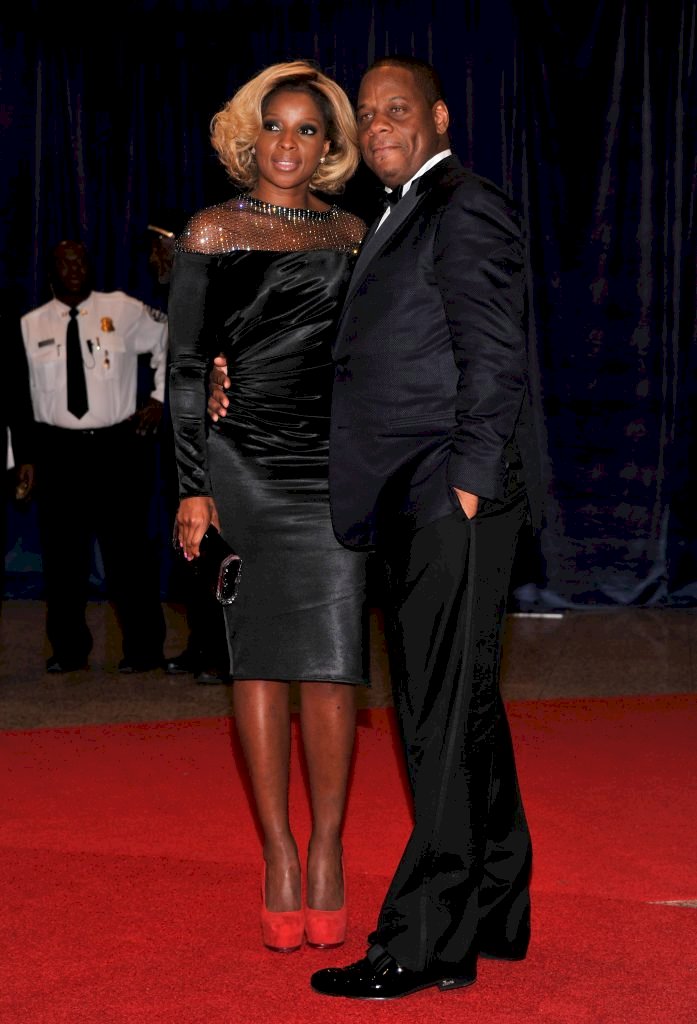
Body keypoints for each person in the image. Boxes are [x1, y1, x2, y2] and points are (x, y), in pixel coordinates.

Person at [208, 55, 541, 1000]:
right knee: (464, 701)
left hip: (451, 496)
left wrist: (472, 478)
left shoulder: (462, 205)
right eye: (369, 112)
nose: (381, 123)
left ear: (437, 116)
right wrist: (236, 374)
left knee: (433, 718)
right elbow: (366, 357)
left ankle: (425, 940)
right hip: (413, 496)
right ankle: (497, 903)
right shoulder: (393, 217)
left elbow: (494, 350)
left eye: (398, 108)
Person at [166, 60, 370, 954]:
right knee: (259, 659)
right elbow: (182, 365)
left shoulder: (354, 234)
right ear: (252, 135)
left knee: (332, 663)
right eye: (276, 127)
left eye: (309, 130)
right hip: (241, 459)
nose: (290, 144)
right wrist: (192, 483)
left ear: (330, 147)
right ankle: (278, 851)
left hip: (333, 465)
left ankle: (326, 846)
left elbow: (376, 352)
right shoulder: (211, 231)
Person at [20, 239, 168, 673]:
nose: (74, 268)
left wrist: (159, 398)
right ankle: (68, 650)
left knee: (129, 554)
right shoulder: (30, 325)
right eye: (64, 262)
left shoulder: (121, 308)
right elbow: (19, 398)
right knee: (63, 558)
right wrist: (24, 456)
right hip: (58, 451)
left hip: (115, 448)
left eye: (81, 260)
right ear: (50, 272)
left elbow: (168, 339)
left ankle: (143, 648)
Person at [146, 218, 231, 684]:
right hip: (181, 438)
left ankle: (224, 650)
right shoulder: (172, 301)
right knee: (189, 547)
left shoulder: (211, 294)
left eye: (163, 248)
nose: (156, 259)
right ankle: (201, 642)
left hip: (214, 435)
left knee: (218, 544)